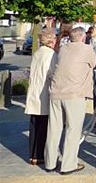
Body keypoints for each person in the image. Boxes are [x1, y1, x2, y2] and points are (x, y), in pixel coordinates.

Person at [45, 27, 96, 175]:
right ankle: (68, 164)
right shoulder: (86, 49)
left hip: (56, 92)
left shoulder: (63, 49)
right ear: (82, 37)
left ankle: (50, 162)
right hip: (74, 93)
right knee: (73, 129)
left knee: (54, 128)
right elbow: (94, 64)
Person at [25, 28, 57, 166]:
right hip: (44, 92)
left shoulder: (38, 52)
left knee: (34, 124)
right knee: (43, 126)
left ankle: (32, 155)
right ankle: (39, 155)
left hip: (33, 92)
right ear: (51, 40)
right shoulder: (51, 54)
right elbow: (53, 73)